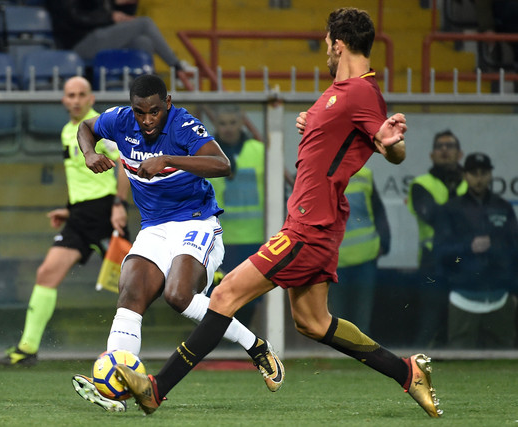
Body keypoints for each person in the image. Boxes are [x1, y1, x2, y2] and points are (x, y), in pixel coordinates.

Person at [114, 7, 442, 418]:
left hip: (310, 225)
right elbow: (349, 136)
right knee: (314, 322)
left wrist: (392, 142)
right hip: (315, 222)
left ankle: (157, 389)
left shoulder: (360, 91)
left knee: (225, 294)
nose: (325, 50)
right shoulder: (338, 93)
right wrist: (314, 124)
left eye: (326, 43)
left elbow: (390, 146)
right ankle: (407, 371)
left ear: (337, 44)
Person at [70, 74, 284, 412]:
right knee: (130, 294)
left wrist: (170, 160)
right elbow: (86, 127)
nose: (147, 120)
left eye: (155, 111)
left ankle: (255, 346)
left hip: (195, 221)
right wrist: (87, 152)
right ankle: (116, 379)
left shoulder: (183, 125)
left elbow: (222, 164)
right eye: (140, 112)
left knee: (178, 296)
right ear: (132, 109)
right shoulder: (119, 121)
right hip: (154, 228)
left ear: (167, 104)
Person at [0, 76, 129, 366]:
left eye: (82, 94)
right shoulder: (67, 131)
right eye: (71, 94)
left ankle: (206, 278)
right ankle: (27, 350)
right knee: (46, 273)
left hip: (104, 214)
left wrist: (119, 205)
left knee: (141, 282)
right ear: (64, 100)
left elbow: (123, 165)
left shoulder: (100, 126)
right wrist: (70, 211)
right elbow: (82, 180)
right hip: (81, 216)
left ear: (91, 98)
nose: (77, 99)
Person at [434, 152, 518, 349]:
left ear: (490, 175)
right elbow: (440, 251)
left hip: (499, 296)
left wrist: (514, 291)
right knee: (460, 360)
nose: (479, 178)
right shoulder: (451, 209)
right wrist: (468, 246)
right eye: (474, 173)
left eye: (483, 173)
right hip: (463, 296)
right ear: (465, 175)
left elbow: (515, 250)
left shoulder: (503, 207)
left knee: (503, 363)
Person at [407, 129, 467, 348]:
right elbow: (432, 216)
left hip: (464, 260)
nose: (444, 150)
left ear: (460, 154)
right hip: (433, 262)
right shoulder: (421, 184)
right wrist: (463, 211)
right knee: (429, 321)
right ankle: (414, 370)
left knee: (462, 321)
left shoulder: (469, 182)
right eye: (439, 146)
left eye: (450, 146)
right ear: (432, 155)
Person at [207, 104, 266, 326]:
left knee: (249, 297)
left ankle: (240, 339)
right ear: (216, 125)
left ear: (241, 123)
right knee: (218, 294)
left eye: (233, 122)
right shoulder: (207, 152)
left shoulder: (259, 151)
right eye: (223, 123)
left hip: (254, 238)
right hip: (221, 239)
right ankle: (221, 340)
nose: (228, 128)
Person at [45, 0, 189, 76]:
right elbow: (73, 17)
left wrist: (118, 5)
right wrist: (110, 17)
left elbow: (96, 9)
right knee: (144, 23)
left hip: (98, 35)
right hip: (78, 42)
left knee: (144, 42)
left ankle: (144, 92)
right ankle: (177, 67)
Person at [329, 166, 390, 335]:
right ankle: (342, 356)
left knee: (361, 320)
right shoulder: (319, 174)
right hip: (336, 262)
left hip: (364, 257)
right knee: (338, 321)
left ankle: (362, 357)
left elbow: (378, 210)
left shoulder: (364, 174)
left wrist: (384, 243)